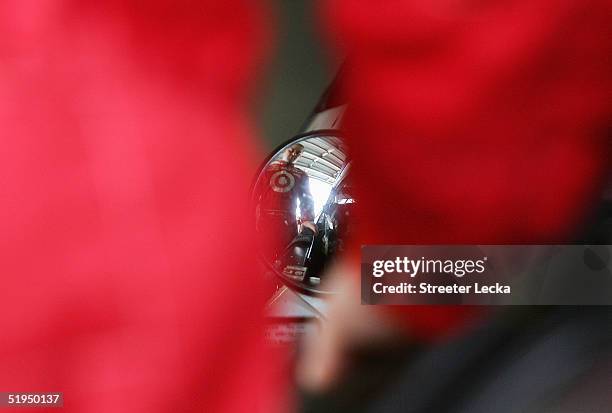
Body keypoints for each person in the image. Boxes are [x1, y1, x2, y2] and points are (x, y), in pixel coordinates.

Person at [257, 143, 317, 263]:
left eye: (298, 153)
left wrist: (307, 220)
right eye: (292, 150)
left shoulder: (301, 175)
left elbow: (307, 199)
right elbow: (254, 193)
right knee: (262, 258)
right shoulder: (267, 169)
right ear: (285, 149)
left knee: (286, 259)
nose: (294, 154)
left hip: (288, 224)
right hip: (264, 222)